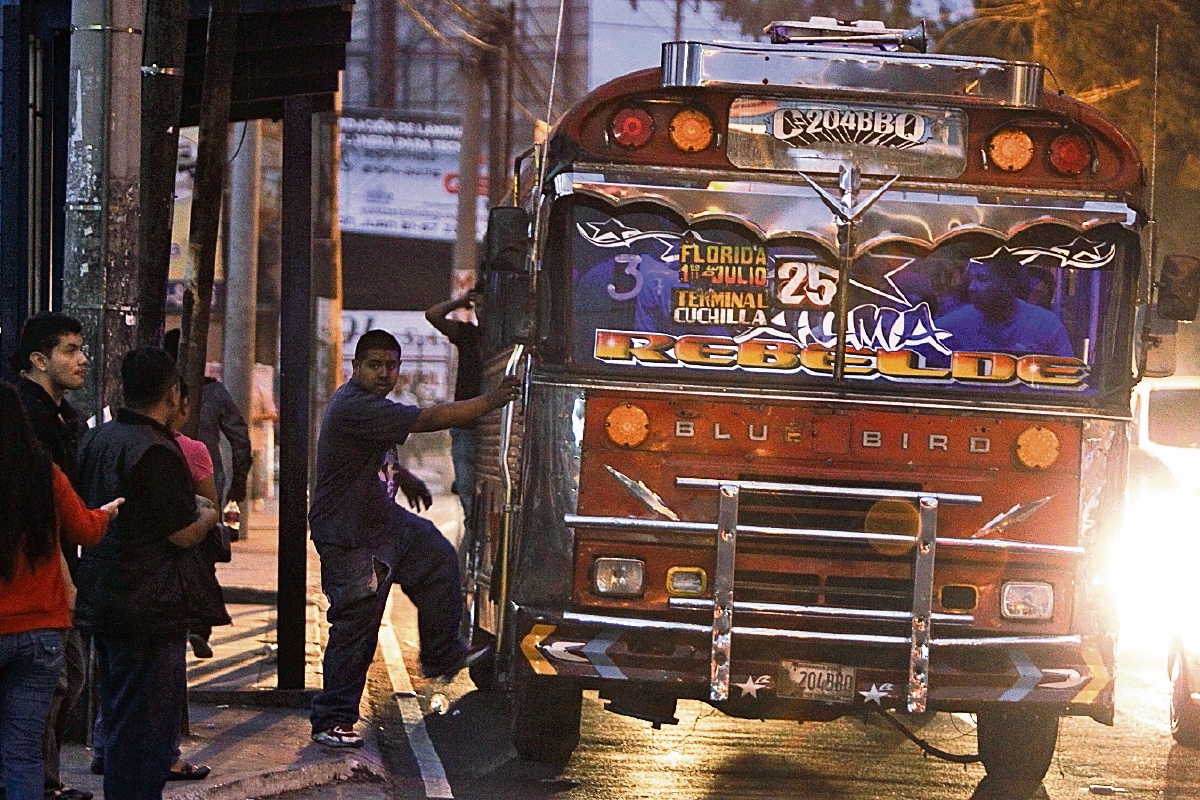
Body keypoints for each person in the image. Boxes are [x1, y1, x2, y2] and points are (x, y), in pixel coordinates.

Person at [308, 329, 520, 748]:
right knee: (356, 625)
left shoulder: (370, 407)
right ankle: (332, 720)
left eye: (391, 366)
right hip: (351, 534)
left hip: (382, 522)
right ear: (356, 367)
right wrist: (491, 401)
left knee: (438, 556)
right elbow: (425, 420)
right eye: (374, 366)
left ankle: (442, 652)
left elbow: (367, 451)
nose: (384, 374)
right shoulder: (355, 405)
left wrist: (403, 476)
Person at [75, 348, 219, 800]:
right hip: (150, 606)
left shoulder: (97, 439)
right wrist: (209, 515)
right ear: (172, 392)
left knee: (120, 719)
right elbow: (181, 534)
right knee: (148, 730)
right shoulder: (157, 450)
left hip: (106, 595)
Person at [0, 382, 119, 800]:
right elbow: (84, 529)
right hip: (41, 634)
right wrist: (104, 516)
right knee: (23, 755)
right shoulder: (42, 471)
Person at [8, 312, 93, 800]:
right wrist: (64, 575)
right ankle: (42, 783)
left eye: (81, 349)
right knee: (55, 682)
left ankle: (47, 781)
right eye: (69, 351)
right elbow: (40, 509)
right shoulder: (26, 415)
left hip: (54, 570)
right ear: (39, 360)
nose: (81, 360)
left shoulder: (55, 413)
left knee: (67, 679)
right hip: (38, 580)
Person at [163, 330, 252, 510]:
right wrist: (238, 482)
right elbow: (240, 439)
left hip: (166, 485)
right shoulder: (214, 393)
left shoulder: (157, 393)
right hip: (209, 483)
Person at [425, 290, 483, 526]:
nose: (482, 309)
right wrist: (459, 302)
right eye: (478, 304)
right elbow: (433, 314)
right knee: (468, 496)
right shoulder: (468, 334)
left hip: (481, 426)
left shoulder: (507, 341)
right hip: (466, 426)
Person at [936, 258, 1074, 357]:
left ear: (1008, 283)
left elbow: (1067, 380)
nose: (972, 287)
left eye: (982, 279)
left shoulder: (1045, 325)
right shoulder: (953, 324)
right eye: (971, 280)